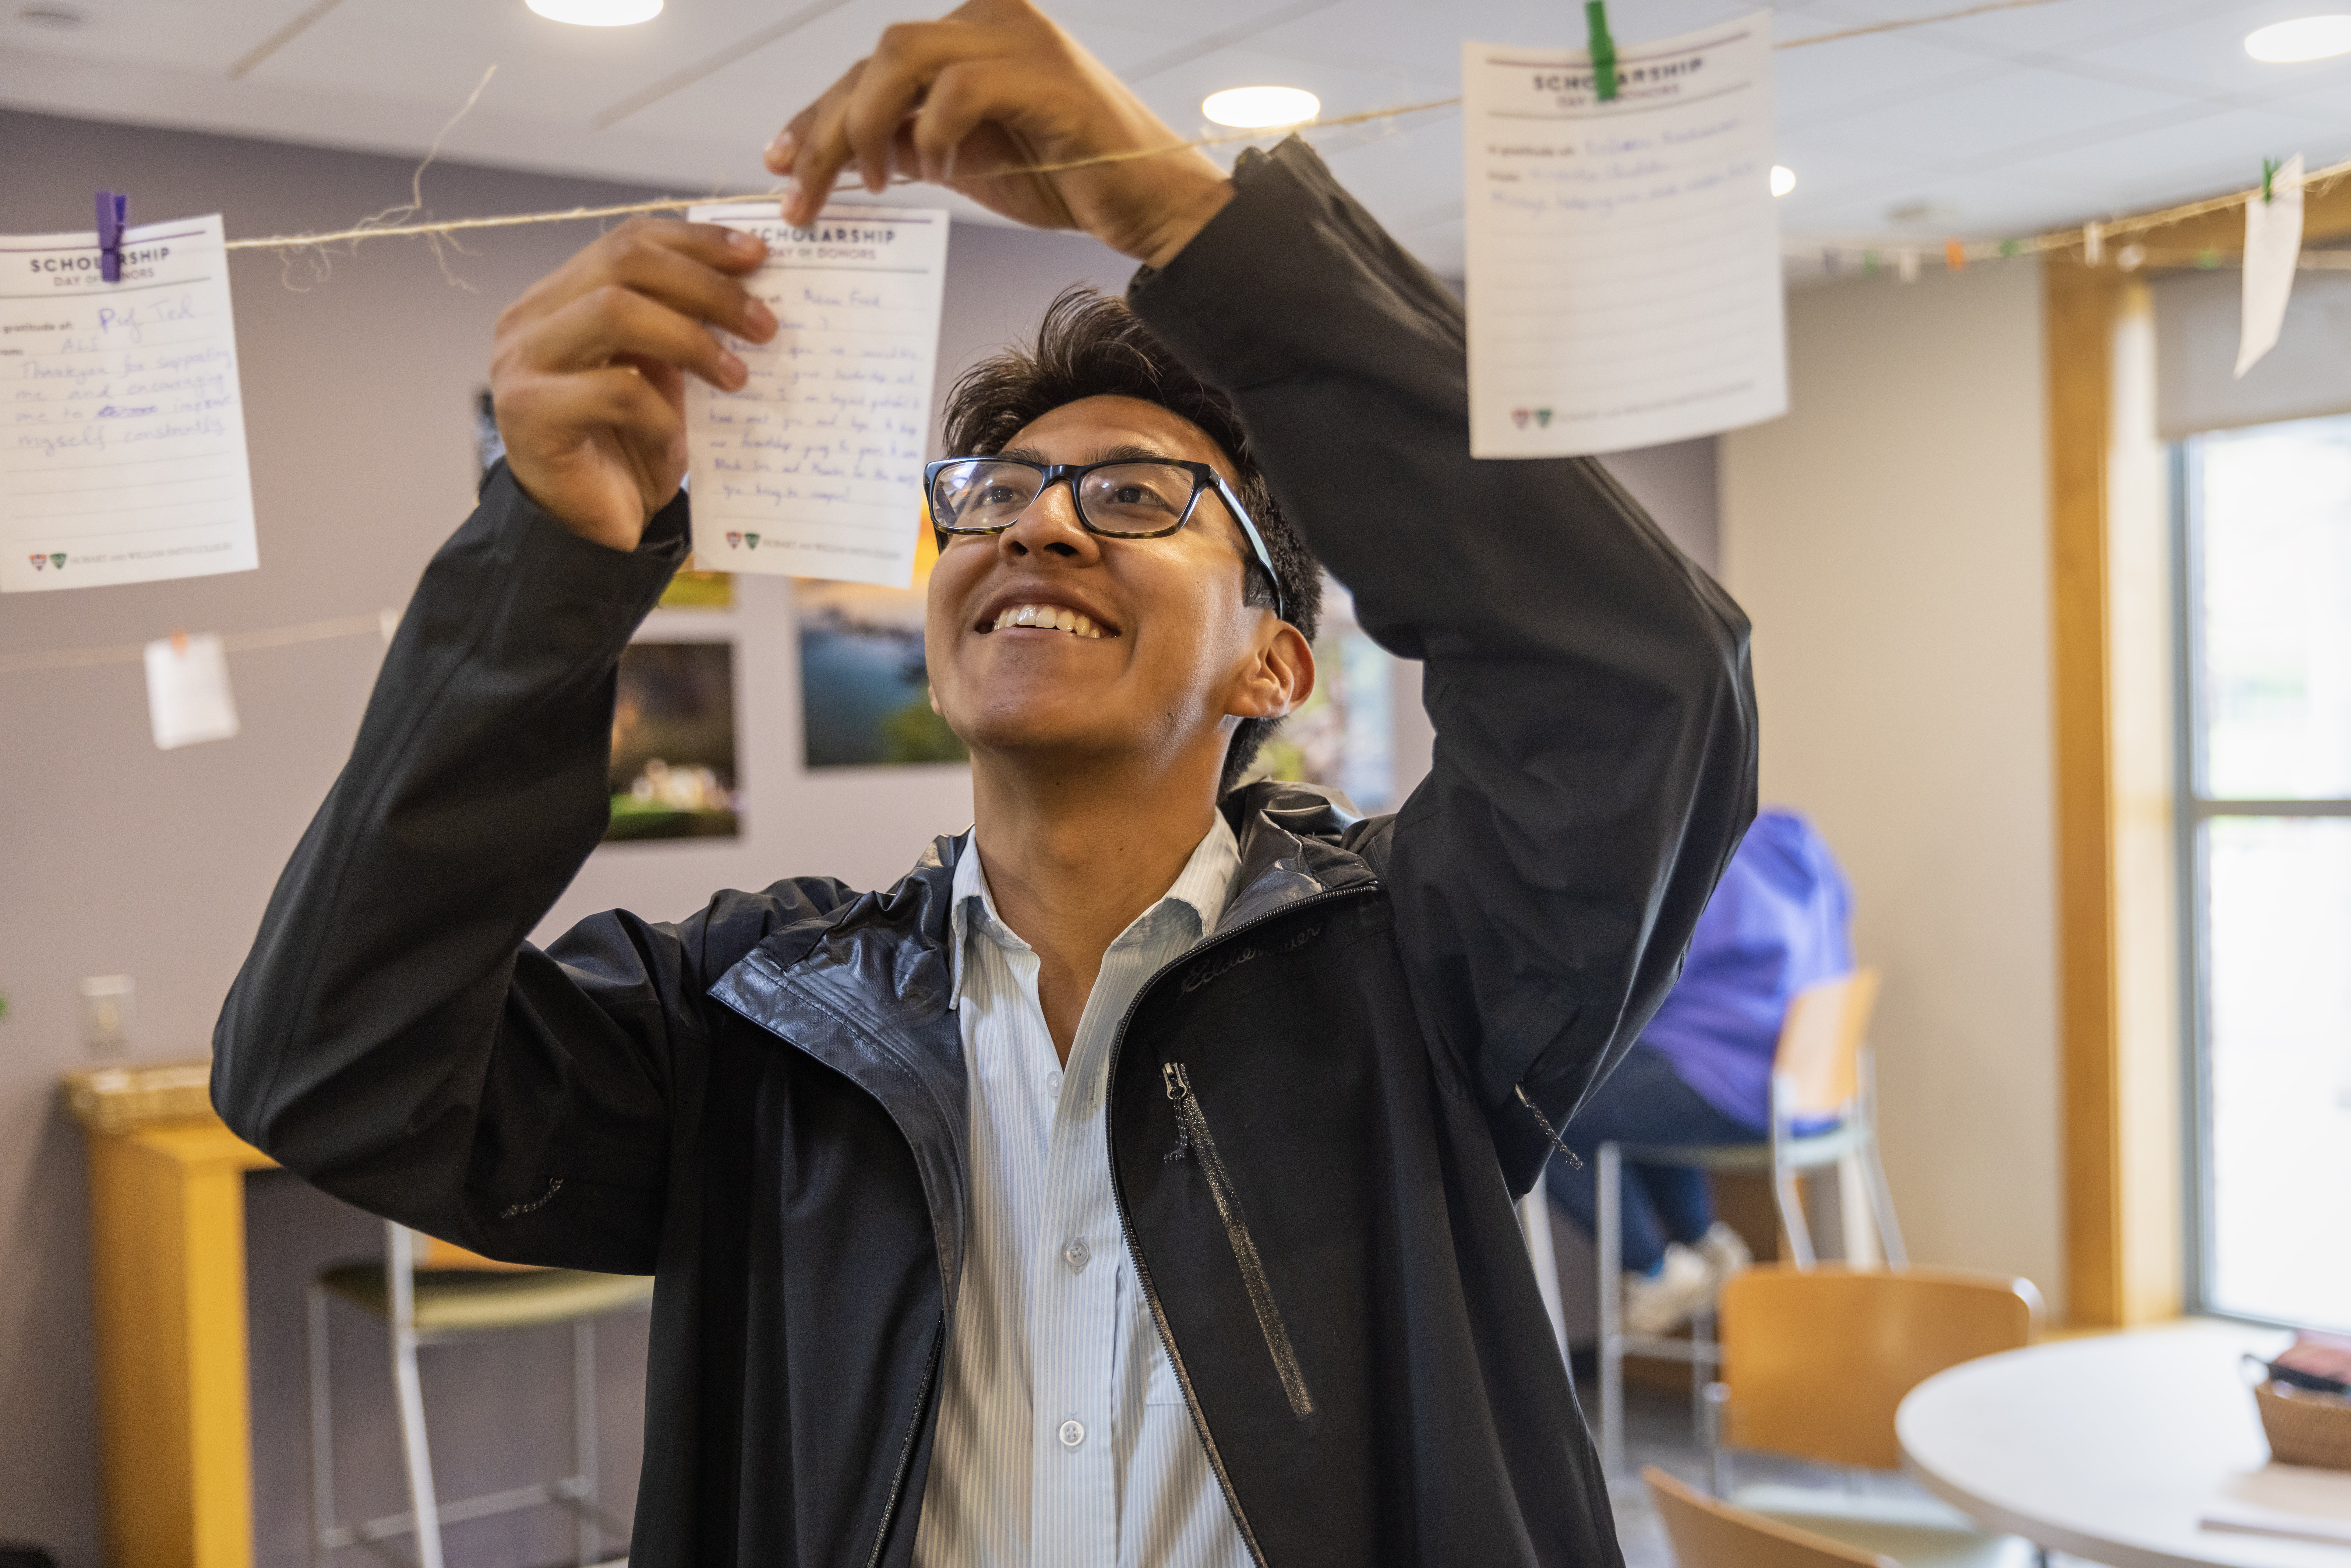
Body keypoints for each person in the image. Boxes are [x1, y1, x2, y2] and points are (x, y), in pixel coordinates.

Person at [211, 2, 1757, 1562]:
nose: (1039, 526)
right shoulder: (759, 1025)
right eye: (994, 495)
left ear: (1272, 665)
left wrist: (1179, 211)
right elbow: (331, 1062)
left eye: (1136, 496)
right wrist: (543, 552)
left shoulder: (1422, 977)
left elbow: (1639, 679)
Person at [1544, 809, 1855, 1335]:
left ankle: (1655, 1269)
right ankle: (1703, 1245)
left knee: (1542, 1108)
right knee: (1637, 1085)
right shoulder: (1789, 836)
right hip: (1809, 1085)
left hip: (1739, 1086)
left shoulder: (1703, 860)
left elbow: (1647, 983)